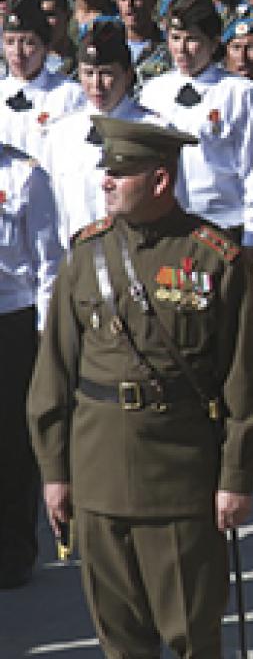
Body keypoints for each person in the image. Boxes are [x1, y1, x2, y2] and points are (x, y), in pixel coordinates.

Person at [28, 116, 253, 654]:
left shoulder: (213, 258)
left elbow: (243, 383)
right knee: (120, 639)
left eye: (121, 171)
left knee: (190, 634)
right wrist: (55, 471)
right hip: (99, 473)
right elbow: (54, 375)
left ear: (160, 180)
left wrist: (235, 477)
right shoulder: (86, 255)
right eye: (106, 170)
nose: (106, 181)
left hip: (179, 478)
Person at [138, 0, 253, 258]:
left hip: (222, 224)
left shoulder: (237, 92)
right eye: (175, 38)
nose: (181, 49)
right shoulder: (153, 92)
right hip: (168, 226)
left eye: (192, 40)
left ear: (213, 44)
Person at [0, 129, 61, 590]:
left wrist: (44, 334)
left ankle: (14, 549)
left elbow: (47, 263)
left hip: (11, 319)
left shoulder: (24, 175)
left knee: (12, 441)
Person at [37, 22, 160, 247]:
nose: (97, 85)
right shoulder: (61, 133)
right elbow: (48, 205)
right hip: (77, 255)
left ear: (128, 74)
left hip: (137, 251)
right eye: (88, 74)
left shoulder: (153, 129)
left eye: (106, 74)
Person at [0, 0, 87, 157]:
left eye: (28, 42)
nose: (18, 52)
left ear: (46, 47)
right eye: (10, 42)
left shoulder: (69, 95)